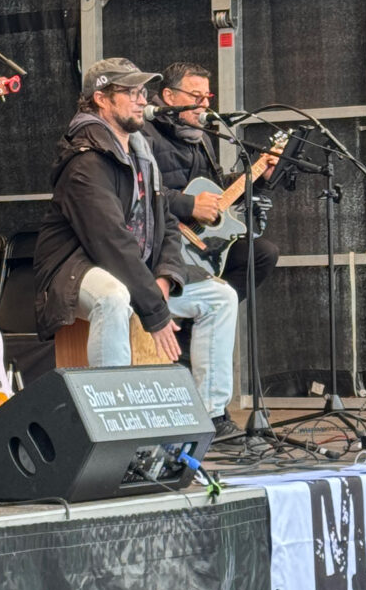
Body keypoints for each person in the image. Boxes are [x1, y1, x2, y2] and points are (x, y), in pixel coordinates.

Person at [33, 58, 241, 438]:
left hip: (136, 273)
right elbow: (109, 241)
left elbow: (167, 226)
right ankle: (113, 422)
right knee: (112, 297)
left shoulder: (142, 152)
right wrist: (155, 309)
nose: (140, 99)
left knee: (219, 298)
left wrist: (166, 276)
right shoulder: (85, 160)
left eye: (141, 92)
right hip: (75, 269)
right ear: (101, 99)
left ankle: (208, 417)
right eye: (129, 92)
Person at [143, 62, 279, 302]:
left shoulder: (201, 138)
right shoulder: (146, 133)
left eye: (208, 97)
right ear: (169, 96)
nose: (205, 105)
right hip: (160, 240)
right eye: (197, 96)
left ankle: (211, 314)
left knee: (262, 254)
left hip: (199, 240)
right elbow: (139, 190)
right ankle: (191, 320)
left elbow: (217, 189)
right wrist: (190, 204)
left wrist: (258, 175)